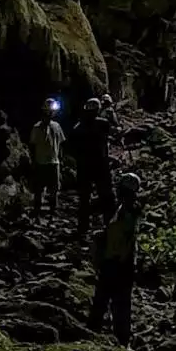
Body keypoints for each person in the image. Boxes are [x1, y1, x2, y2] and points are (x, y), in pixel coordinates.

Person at [88, 173, 141, 347]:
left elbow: (121, 240)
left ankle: (104, 336)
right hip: (121, 263)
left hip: (117, 263)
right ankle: (119, 339)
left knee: (108, 301)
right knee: (117, 303)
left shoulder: (126, 212)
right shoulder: (127, 210)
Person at [72, 96, 115, 243]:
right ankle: (108, 223)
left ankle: (83, 226)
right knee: (106, 195)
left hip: (84, 166)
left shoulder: (78, 127)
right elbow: (109, 135)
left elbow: (73, 148)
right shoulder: (103, 123)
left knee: (84, 197)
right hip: (100, 164)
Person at [27, 98, 65, 217]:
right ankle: (37, 209)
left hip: (53, 161)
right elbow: (32, 145)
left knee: (54, 188)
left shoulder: (56, 126)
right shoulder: (37, 127)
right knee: (39, 188)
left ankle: (53, 210)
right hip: (41, 161)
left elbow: (61, 143)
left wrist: (61, 158)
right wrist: (33, 161)